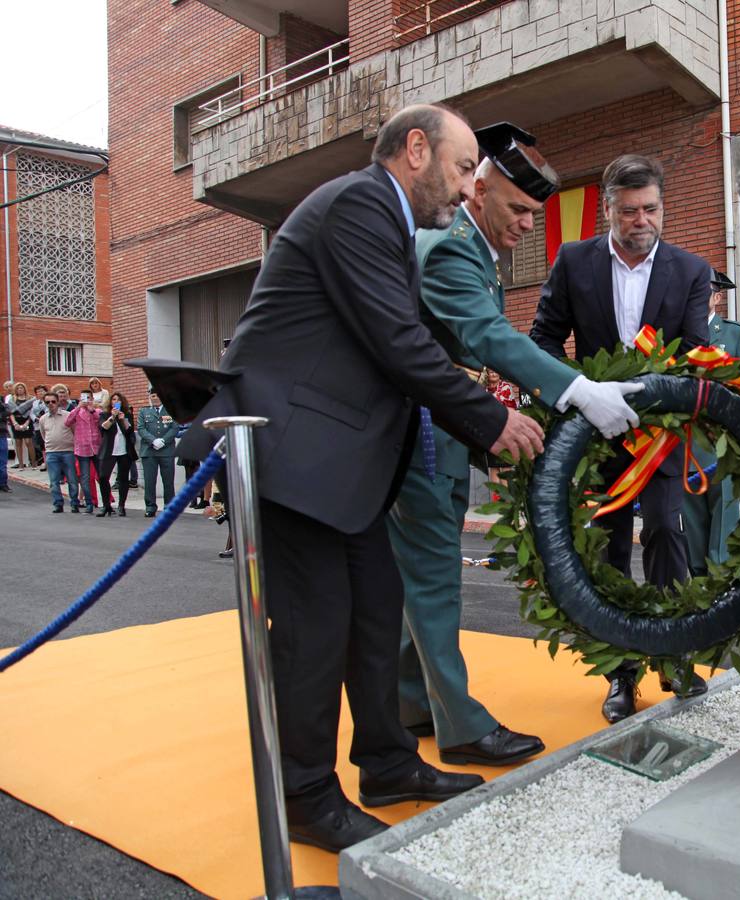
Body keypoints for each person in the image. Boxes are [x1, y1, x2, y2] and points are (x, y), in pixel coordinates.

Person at [178, 103, 544, 854]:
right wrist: (491, 422)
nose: (467, 185)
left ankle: (386, 764)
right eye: (460, 164)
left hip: (341, 470)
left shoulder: (389, 221)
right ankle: (306, 798)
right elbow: (399, 343)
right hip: (295, 457)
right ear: (415, 149)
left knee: (376, 613)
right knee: (313, 637)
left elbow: (399, 349)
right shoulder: (358, 204)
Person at [393, 122, 643, 765]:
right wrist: (578, 389)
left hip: (437, 429)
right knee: (432, 582)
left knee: (421, 576)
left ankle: (411, 700)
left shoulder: (468, 246)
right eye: (520, 209)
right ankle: (461, 727)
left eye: (538, 213)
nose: (532, 225)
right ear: (478, 190)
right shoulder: (452, 248)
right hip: (425, 435)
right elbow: (486, 338)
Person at [531, 152, 711, 723]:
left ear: (663, 208)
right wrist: (576, 395)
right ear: (607, 209)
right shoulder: (573, 262)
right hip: (595, 438)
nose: (642, 221)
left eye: (651, 209)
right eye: (629, 211)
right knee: (606, 549)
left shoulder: (690, 272)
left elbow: (693, 353)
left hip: (659, 437)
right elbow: (543, 338)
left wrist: (665, 399)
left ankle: (672, 654)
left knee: (663, 530)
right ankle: (620, 674)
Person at [683, 269, 740, 577]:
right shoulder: (675, 336)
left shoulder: (735, 334)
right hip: (686, 442)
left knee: (725, 515)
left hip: (723, 443)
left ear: (717, 296)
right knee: (692, 518)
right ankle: (698, 581)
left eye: (704, 291)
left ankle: (720, 583)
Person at [95, 392, 138, 517]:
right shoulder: (104, 414)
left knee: (123, 478)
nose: (115, 401)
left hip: (124, 450)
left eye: (118, 400)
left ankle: (121, 506)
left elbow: (129, 430)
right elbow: (104, 427)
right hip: (109, 450)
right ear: (110, 402)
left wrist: (122, 418)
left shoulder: (127, 415)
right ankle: (106, 505)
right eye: (113, 399)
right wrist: (112, 417)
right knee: (103, 477)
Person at [138, 391, 178, 518]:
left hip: (166, 451)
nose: (155, 398)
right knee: (150, 481)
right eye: (153, 396)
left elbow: (174, 428)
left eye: (158, 395)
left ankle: (169, 507)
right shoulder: (144, 412)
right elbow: (141, 428)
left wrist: (163, 441)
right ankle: (150, 507)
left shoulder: (170, 410)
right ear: (150, 397)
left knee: (168, 481)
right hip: (149, 451)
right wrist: (153, 440)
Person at [37, 393, 75, 512]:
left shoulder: (68, 415)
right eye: (47, 402)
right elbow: (44, 435)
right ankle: (58, 504)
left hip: (68, 451)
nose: (51, 404)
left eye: (53, 401)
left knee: (72, 480)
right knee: (54, 481)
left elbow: (74, 431)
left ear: (58, 402)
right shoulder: (43, 419)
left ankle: (74, 503)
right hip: (51, 453)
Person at [67, 391, 102, 515]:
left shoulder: (96, 411)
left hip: (96, 448)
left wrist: (91, 410)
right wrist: (78, 407)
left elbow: (101, 422)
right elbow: (68, 422)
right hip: (82, 449)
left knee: (102, 476)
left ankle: (106, 503)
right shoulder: (77, 411)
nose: (86, 400)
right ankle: (89, 503)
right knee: (85, 478)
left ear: (92, 399)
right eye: (83, 398)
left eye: (88, 398)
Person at [9, 383, 35, 468]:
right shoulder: (12, 399)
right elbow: (11, 413)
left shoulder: (30, 399)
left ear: (25, 389)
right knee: (18, 442)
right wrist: (15, 423)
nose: (20, 389)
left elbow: (32, 411)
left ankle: (33, 463)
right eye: (18, 388)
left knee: (28, 441)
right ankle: (21, 464)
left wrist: (26, 423)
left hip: (27, 421)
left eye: (21, 388)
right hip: (16, 421)